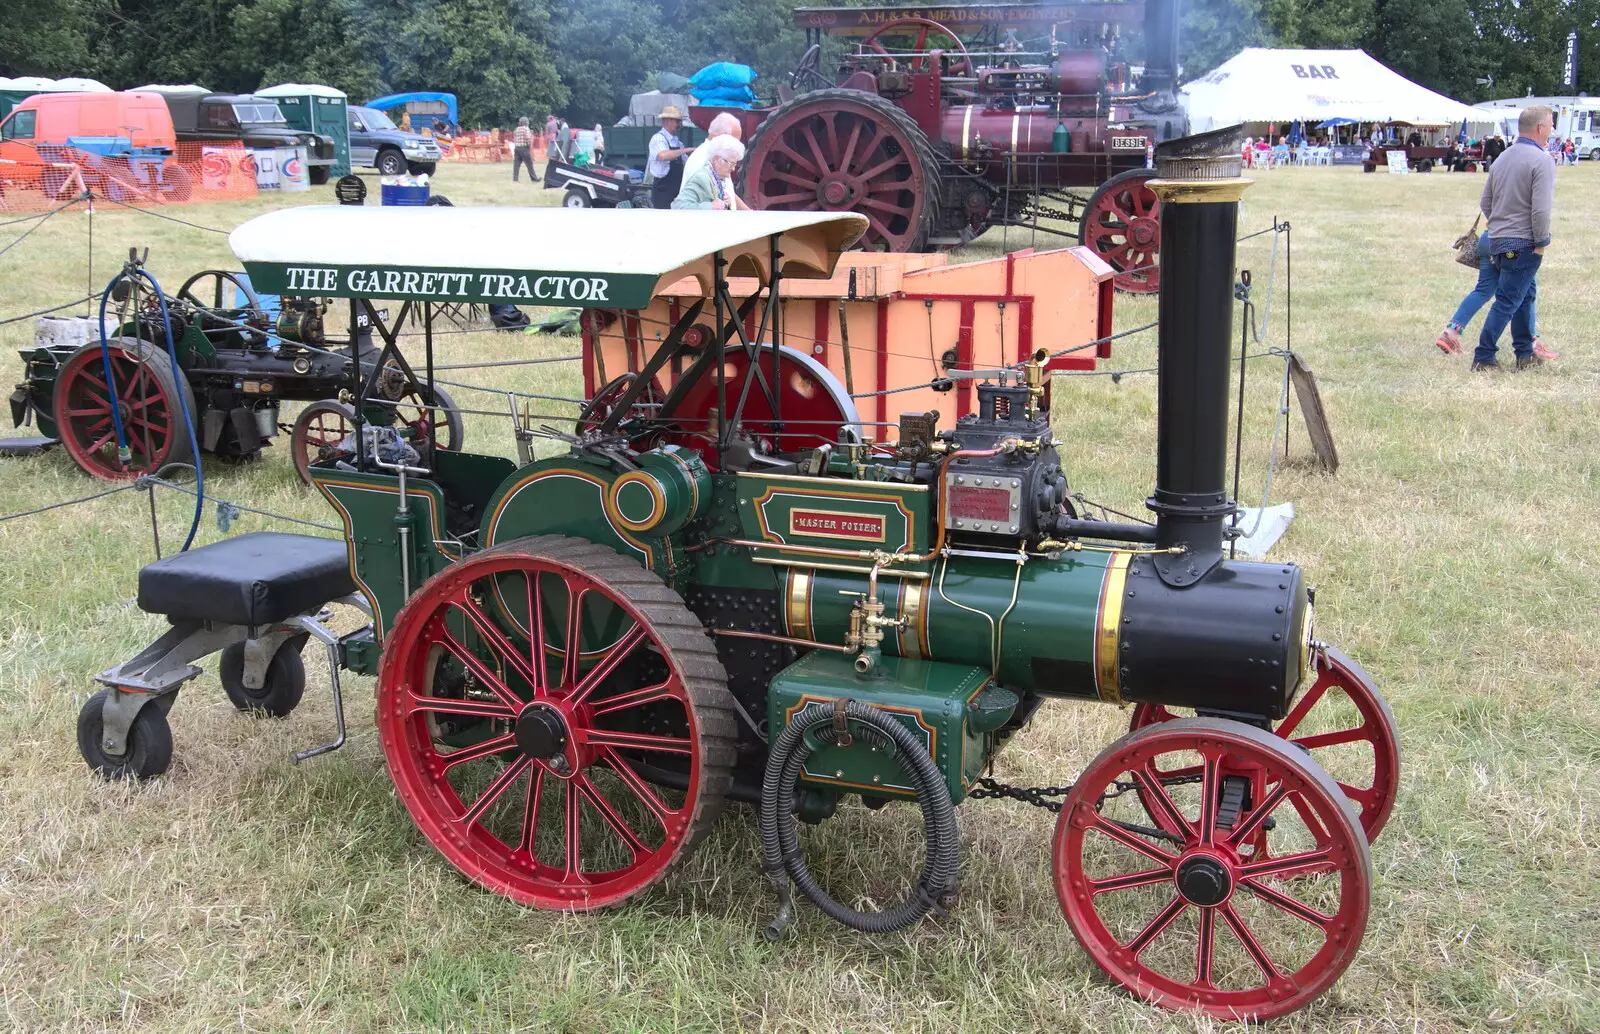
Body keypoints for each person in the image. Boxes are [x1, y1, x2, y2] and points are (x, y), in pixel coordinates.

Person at [1473, 105, 1556, 371]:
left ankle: (1524, 354)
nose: (1552, 130)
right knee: (1508, 300)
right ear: (1541, 127)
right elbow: (1541, 209)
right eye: (1551, 124)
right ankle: (1484, 356)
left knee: (1525, 295)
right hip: (1523, 243)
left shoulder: (1503, 158)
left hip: (1499, 240)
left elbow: (1486, 201)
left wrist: (1500, 225)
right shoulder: (1542, 160)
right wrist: (1541, 241)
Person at [682, 112, 749, 205]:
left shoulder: (722, 157)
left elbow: (728, 191)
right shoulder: (701, 160)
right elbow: (688, 204)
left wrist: (748, 211)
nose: (736, 146)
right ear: (723, 135)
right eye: (734, 141)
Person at [671, 135, 746, 210]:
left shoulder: (717, 178)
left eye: (735, 165)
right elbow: (677, 205)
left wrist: (726, 203)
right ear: (716, 159)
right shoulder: (702, 179)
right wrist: (711, 206)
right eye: (731, 164)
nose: (733, 169)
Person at [647, 106, 695, 209]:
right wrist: (687, 150)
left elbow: (686, 162)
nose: (680, 125)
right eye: (677, 121)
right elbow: (663, 155)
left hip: (676, 189)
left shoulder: (677, 141)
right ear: (668, 121)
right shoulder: (658, 138)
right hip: (662, 190)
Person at [511, 116, 539, 183]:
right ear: (526, 123)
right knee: (529, 164)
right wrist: (530, 146)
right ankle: (534, 179)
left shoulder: (516, 129)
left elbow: (514, 138)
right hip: (524, 148)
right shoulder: (526, 129)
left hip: (517, 148)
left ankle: (515, 180)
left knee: (516, 165)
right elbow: (528, 139)